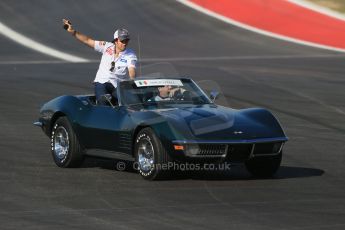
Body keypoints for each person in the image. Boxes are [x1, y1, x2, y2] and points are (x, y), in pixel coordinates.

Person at [62, 19, 137, 105]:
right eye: (122, 41)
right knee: (104, 101)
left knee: (131, 102)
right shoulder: (106, 46)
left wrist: (131, 81)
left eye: (127, 40)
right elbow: (88, 40)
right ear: (116, 40)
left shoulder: (130, 54)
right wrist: (73, 32)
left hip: (118, 85)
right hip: (102, 82)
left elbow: (132, 70)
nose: (125, 43)